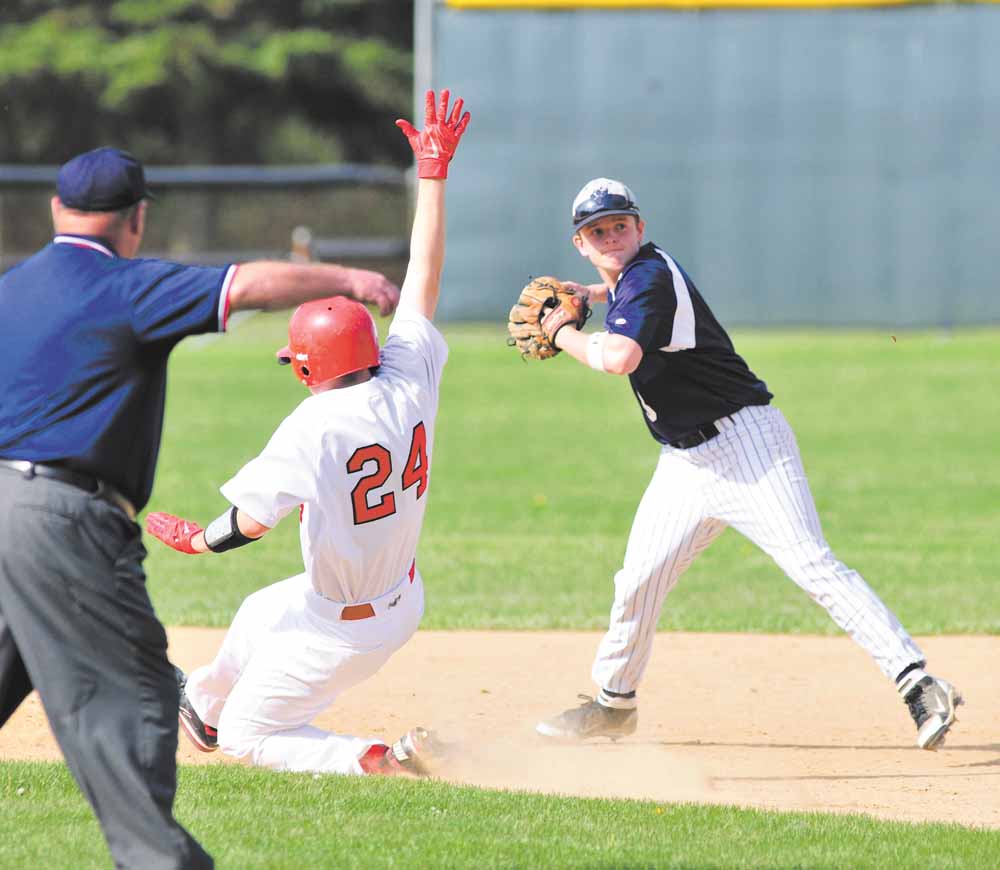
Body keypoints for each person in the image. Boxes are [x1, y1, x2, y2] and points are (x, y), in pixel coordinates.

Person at [0, 146, 401, 869]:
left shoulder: (12, 288)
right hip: (62, 519)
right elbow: (248, 285)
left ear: (56, 208)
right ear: (137, 219)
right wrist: (347, 277)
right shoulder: (121, 285)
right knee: (137, 697)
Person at [533, 178, 962, 751]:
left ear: (640, 228)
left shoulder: (651, 277)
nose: (610, 236)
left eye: (619, 225)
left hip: (747, 445)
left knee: (812, 564)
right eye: (596, 231)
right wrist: (589, 294)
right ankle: (615, 703)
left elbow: (618, 357)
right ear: (580, 244)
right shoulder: (636, 279)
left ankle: (921, 684)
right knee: (638, 581)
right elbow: (626, 293)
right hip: (685, 463)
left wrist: (561, 332)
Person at [143, 90, 470, 778]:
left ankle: (384, 758)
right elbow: (424, 278)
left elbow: (252, 524)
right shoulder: (410, 373)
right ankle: (200, 702)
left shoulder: (312, 425)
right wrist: (433, 178)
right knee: (261, 611)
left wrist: (198, 541)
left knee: (249, 737)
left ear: (309, 369)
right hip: (399, 593)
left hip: (343, 625)